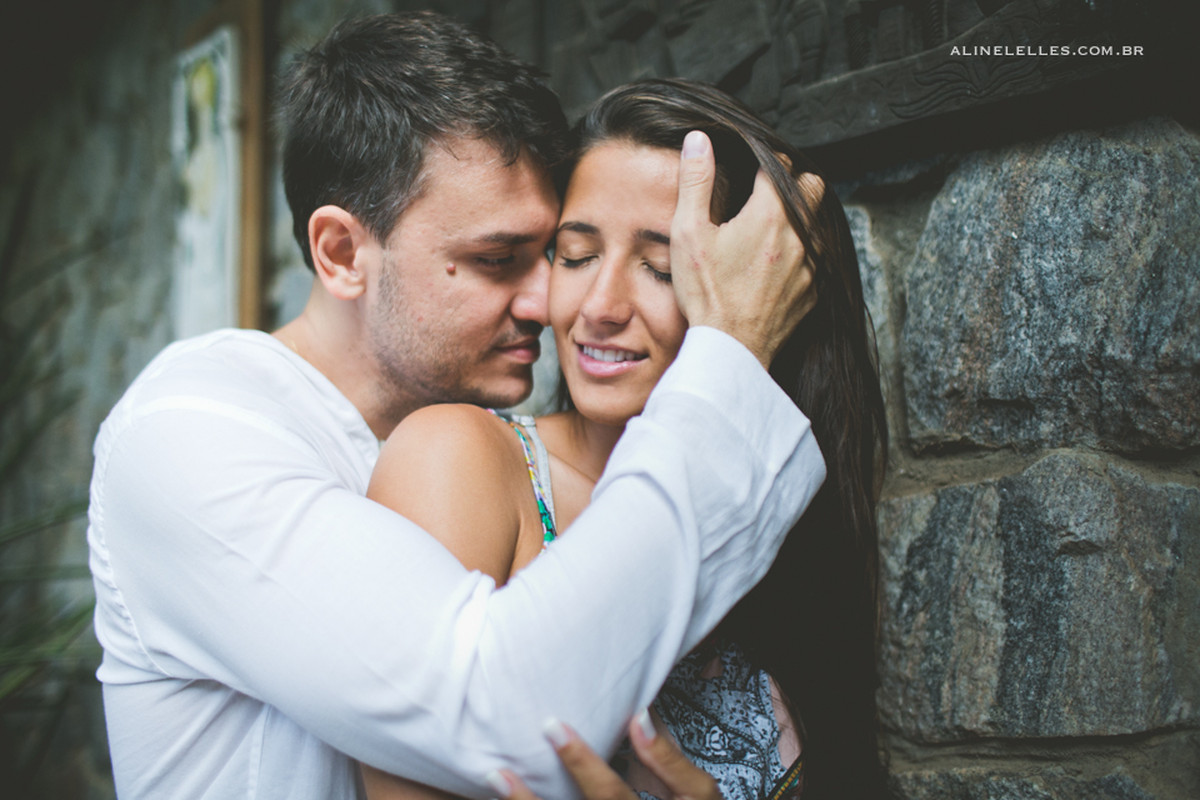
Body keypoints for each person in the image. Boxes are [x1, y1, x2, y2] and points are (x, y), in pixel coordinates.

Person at [86, 13, 826, 800]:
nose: (548, 301)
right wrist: (731, 353)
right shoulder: (189, 435)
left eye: (550, 254)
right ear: (342, 253)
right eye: (497, 260)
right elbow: (499, 719)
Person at [360, 79, 889, 800]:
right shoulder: (461, 461)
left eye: (664, 268)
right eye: (574, 257)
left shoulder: (785, 512)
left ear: (766, 294)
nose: (599, 308)